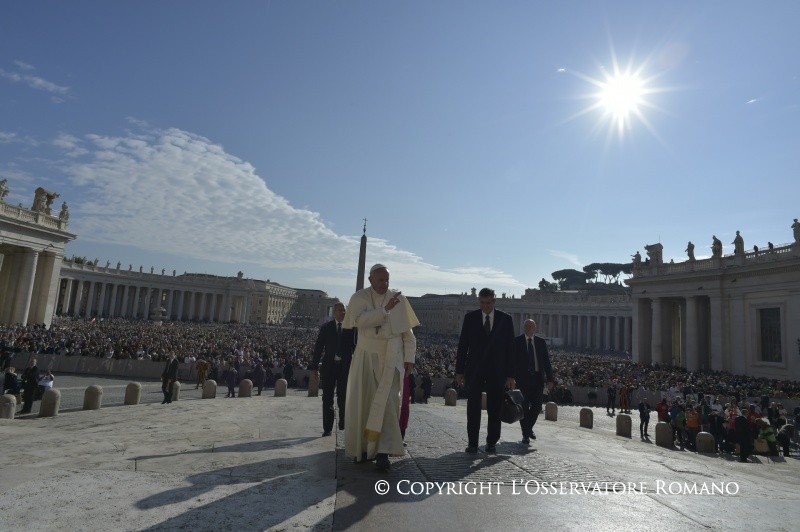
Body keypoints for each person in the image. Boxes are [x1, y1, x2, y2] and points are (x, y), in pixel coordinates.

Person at [342, 264, 418, 471]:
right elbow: (359, 321)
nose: (384, 284)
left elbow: (408, 334)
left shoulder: (399, 299)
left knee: (389, 405)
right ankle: (363, 448)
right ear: (370, 281)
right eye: (380, 280)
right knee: (364, 401)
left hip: (392, 358)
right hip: (367, 356)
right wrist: (384, 311)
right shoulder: (359, 297)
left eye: (387, 280)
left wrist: (409, 357)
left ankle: (383, 452)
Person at [455, 288, 516, 455]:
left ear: (494, 301)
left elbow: (511, 348)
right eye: (482, 303)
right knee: (472, 406)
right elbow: (463, 345)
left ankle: (491, 442)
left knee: (495, 407)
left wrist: (511, 375)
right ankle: (472, 442)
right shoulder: (470, 318)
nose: (485, 306)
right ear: (479, 301)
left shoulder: (506, 319)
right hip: (474, 370)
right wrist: (459, 371)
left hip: (497, 371)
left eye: (488, 303)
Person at [309, 302, 355, 436]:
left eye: (344, 310)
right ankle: (327, 428)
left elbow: (356, 348)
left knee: (343, 396)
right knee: (327, 398)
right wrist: (314, 368)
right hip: (329, 367)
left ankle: (343, 420)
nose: (342, 312)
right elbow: (318, 348)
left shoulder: (351, 328)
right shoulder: (326, 328)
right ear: (334, 312)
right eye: (339, 310)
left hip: (345, 367)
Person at [513, 319, 553, 445]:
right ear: (523, 327)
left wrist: (550, 379)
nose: (528, 328)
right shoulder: (517, 341)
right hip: (522, 379)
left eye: (531, 326)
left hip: (537, 378)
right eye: (526, 326)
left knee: (537, 407)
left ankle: (528, 428)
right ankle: (526, 435)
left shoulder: (541, 342)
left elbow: (546, 362)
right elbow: (511, 361)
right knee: (523, 408)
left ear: (535, 328)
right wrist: (510, 377)